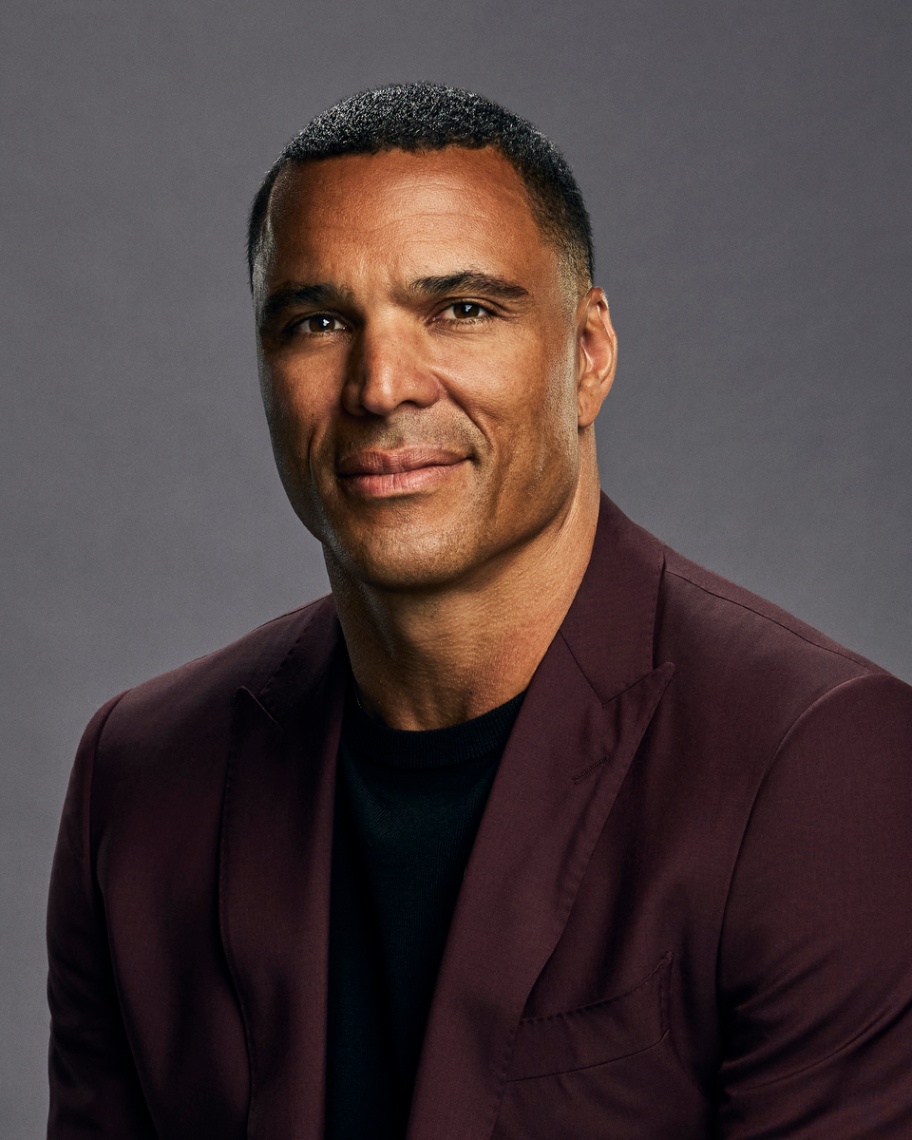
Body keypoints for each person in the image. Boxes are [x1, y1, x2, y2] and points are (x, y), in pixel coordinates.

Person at [47, 82, 912, 1139]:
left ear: (588, 354)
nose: (380, 386)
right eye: (318, 322)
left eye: (461, 309)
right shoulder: (140, 778)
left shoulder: (821, 766)